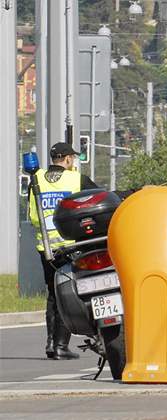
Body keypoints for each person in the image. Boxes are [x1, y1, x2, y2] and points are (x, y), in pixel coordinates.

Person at [29, 142, 99, 360]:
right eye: (73, 159)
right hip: (69, 245)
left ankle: (52, 343)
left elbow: (33, 214)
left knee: (53, 292)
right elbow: (99, 197)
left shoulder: (36, 179)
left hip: (46, 247)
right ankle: (60, 345)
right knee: (67, 292)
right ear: (68, 159)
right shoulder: (75, 179)